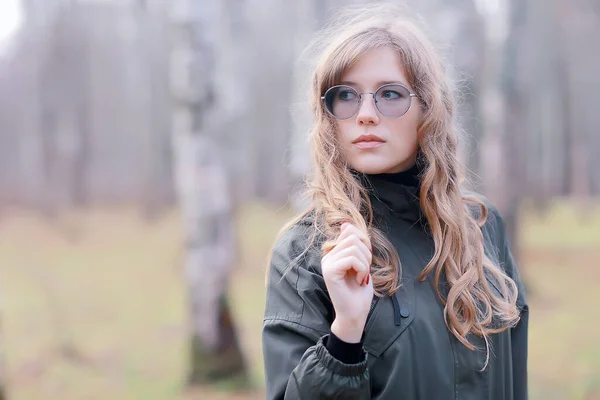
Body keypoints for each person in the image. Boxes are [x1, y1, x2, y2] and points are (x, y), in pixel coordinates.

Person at [262, 4, 528, 399]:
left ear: (427, 109)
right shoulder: (308, 253)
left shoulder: (482, 229)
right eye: (346, 96)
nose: (366, 114)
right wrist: (345, 337)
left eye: (389, 94)